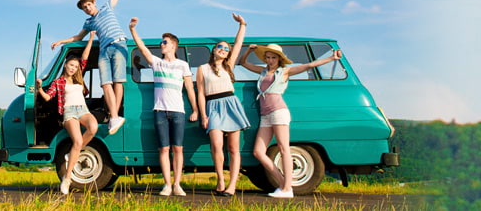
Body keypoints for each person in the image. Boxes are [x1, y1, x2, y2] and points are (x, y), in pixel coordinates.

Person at [238, 44, 343, 198]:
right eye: (267, 57)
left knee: (283, 148)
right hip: (265, 114)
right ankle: (284, 184)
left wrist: (332, 58)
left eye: (273, 57)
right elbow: (243, 63)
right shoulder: (263, 71)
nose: (270, 60)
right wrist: (248, 50)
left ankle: (287, 188)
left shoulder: (285, 71)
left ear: (279, 59)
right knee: (258, 152)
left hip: (278, 111)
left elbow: (309, 65)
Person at [50, 0, 134, 135]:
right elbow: (78, 37)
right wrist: (61, 41)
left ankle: (114, 115)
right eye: (84, 7)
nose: (87, 8)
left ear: (94, 3)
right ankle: (114, 117)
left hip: (118, 44)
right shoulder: (88, 23)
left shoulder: (107, 8)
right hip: (103, 50)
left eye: (88, 5)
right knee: (105, 83)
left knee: (118, 82)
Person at [128, 17, 199, 196]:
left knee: (178, 149)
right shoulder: (156, 63)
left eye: (165, 42)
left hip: (178, 112)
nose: (161, 44)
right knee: (164, 149)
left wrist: (196, 109)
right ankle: (167, 185)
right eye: (161, 42)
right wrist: (133, 30)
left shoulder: (182, 65)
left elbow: (190, 88)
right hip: (159, 111)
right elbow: (142, 48)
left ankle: (177, 184)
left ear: (173, 45)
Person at [36, 32, 100, 195]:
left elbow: (85, 57)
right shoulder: (58, 82)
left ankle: (73, 153)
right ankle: (67, 179)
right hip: (69, 112)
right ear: (66, 65)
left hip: (83, 110)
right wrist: (39, 87)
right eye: (71, 65)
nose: (73, 68)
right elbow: (48, 97)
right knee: (78, 141)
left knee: (93, 127)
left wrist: (91, 38)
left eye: (75, 66)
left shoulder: (79, 79)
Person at [195, 13, 249, 197]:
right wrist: (203, 115)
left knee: (234, 148)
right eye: (221, 47)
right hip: (213, 106)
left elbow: (239, 44)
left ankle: (232, 185)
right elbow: (200, 93)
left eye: (226, 49)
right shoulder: (202, 69)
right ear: (214, 50)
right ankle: (220, 179)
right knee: (216, 145)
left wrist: (242, 25)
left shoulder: (228, 65)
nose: (224, 50)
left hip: (231, 104)